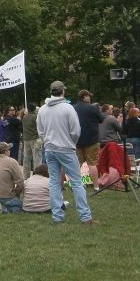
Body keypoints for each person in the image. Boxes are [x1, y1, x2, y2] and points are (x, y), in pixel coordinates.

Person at [37, 81, 95, 225]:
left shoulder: (43, 109)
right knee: (76, 182)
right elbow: (75, 131)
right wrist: (71, 143)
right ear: (63, 91)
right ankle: (85, 216)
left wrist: (48, 142)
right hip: (66, 149)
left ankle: (57, 216)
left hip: (50, 149)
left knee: (54, 182)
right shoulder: (68, 108)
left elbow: (41, 131)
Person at [73, 90, 105, 190]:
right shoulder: (92, 108)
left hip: (77, 140)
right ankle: (96, 186)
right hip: (92, 140)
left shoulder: (73, 108)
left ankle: (76, 186)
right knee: (92, 164)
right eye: (89, 96)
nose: (90, 98)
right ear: (85, 97)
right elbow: (101, 120)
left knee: (77, 164)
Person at [0, 141, 25, 212]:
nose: (10, 151)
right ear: (6, 151)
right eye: (9, 149)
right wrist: (16, 193)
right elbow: (20, 181)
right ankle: (4, 209)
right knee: (23, 207)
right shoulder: (12, 162)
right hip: (5, 195)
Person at [21, 103, 42, 178]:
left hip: (26, 139)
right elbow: (39, 128)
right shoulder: (35, 117)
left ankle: (26, 175)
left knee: (26, 158)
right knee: (37, 158)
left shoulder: (24, 117)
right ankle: (37, 175)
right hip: (35, 139)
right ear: (34, 109)